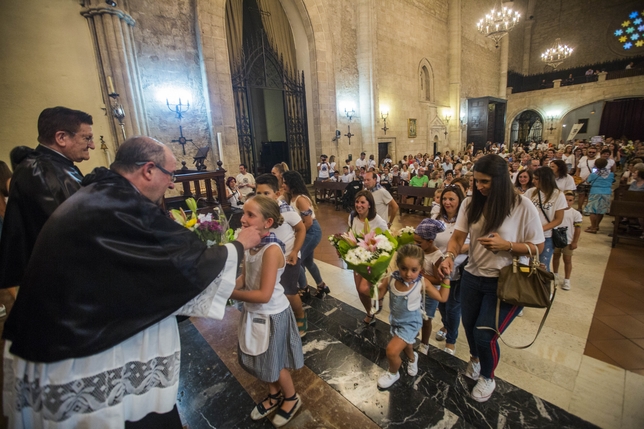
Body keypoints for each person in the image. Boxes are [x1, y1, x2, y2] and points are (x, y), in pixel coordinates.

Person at [2, 137, 262, 427]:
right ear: (149, 170)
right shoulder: (124, 206)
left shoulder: (101, 194)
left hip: (66, 333)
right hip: (83, 351)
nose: (173, 184)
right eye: (170, 174)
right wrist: (238, 246)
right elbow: (184, 264)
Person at [438, 154, 544, 403]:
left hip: (505, 281)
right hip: (473, 276)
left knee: (485, 335)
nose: (481, 187)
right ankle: (475, 359)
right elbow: (457, 236)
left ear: (501, 179)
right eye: (477, 182)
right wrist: (450, 255)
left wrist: (507, 245)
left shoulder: (522, 206)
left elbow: (537, 246)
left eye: (485, 182)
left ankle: (488, 376)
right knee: (470, 329)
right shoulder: (470, 204)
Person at [0, 107, 94, 294]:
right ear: (61, 138)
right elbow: (69, 231)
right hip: (61, 283)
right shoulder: (39, 171)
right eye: (87, 138)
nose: (92, 145)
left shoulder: (55, 165)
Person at [231, 195, 304, 427]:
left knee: (276, 362)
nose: (243, 219)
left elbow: (263, 294)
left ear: (268, 222)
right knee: (262, 358)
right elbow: (245, 276)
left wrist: (229, 294)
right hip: (254, 311)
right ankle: (274, 396)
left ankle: (291, 398)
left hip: (271, 313)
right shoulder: (249, 246)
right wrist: (231, 284)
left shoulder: (272, 250)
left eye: (250, 215)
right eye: (244, 213)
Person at [375, 244, 449, 389]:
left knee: (392, 350)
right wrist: (370, 279)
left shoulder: (422, 282)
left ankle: (393, 373)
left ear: (421, 268)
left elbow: (442, 297)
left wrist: (446, 278)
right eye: (404, 268)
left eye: (414, 270)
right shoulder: (390, 279)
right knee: (407, 344)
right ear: (398, 265)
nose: (408, 274)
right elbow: (378, 294)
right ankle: (413, 358)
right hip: (396, 320)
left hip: (411, 323)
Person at [255, 174, 307, 337]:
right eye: (259, 193)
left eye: (266, 193)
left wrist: (294, 251)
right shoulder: (259, 210)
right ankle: (279, 316)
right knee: (273, 290)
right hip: (270, 258)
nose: (262, 197)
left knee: (290, 292)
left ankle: (300, 316)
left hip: (288, 257)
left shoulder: (286, 211)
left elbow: (301, 229)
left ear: (277, 194)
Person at [432, 186, 469, 355]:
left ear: (460, 201)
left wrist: (454, 250)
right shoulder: (436, 217)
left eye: (451, 199)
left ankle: (451, 341)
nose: (447, 202)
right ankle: (446, 326)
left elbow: (474, 243)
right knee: (442, 304)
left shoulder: (467, 219)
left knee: (453, 306)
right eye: (444, 199)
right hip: (438, 268)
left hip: (458, 269)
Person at [282, 170, 329, 298]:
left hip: (311, 231)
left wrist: (297, 237)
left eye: (285, 183)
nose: (283, 185)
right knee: (308, 262)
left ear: (292, 183)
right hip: (306, 231)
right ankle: (321, 285)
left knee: (296, 260)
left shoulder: (301, 199)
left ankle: (304, 288)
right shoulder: (291, 198)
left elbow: (307, 222)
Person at [349, 190, 388, 325]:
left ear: (370, 204)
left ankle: (382, 291)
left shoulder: (379, 222)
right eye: (357, 202)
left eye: (362, 202)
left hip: (373, 261)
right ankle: (370, 313)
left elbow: (388, 242)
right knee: (359, 291)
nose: (359, 205)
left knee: (364, 289)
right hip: (358, 259)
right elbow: (352, 235)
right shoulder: (353, 217)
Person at [414, 219, 450, 356]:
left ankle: (424, 343)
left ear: (430, 241)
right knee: (415, 313)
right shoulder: (419, 250)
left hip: (429, 294)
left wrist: (420, 275)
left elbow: (438, 280)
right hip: (416, 290)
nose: (416, 245)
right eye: (415, 242)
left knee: (427, 319)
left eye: (419, 242)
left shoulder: (437, 257)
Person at [524, 167, 567, 270]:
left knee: (542, 266)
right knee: (526, 265)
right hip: (528, 234)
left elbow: (558, 219)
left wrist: (540, 229)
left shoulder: (558, 195)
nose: (533, 181)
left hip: (546, 236)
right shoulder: (531, 192)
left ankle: (543, 286)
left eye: (536, 179)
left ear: (546, 179)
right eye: (533, 178)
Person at [552, 191, 582, 291]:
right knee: (556, 257)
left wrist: (575, 241)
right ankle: (555, 274)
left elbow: (578, 228)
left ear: (573, 201)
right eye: (565, 200)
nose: (567, 202)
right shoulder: (556, 211)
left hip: (568, 240)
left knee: (567, 260)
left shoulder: (575, 214)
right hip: (556, 238)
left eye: (570, 200)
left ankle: (567, 279)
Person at [584, 157, 614, 233]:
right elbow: (613, 181)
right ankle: (597, 225)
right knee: (601, 210)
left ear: (595, 165)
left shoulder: (593, 174)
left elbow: (588, 181)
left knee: (592, 210)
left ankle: (593, 227)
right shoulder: (611, 174)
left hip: (595, 192)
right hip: (606, 192)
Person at [575, 146, 598, 212]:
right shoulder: (583, 161)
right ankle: (579, 208)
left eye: (593, 152)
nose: (591, 153)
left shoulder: (596, 161)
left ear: (595, 153)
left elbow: (595, 172)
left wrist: (588, 179)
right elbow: (578, 170)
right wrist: (578, 179)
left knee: (589, 196)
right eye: (590, 152)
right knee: (581, 195)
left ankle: (587, 209)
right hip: (581, 181)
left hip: (591, 182)